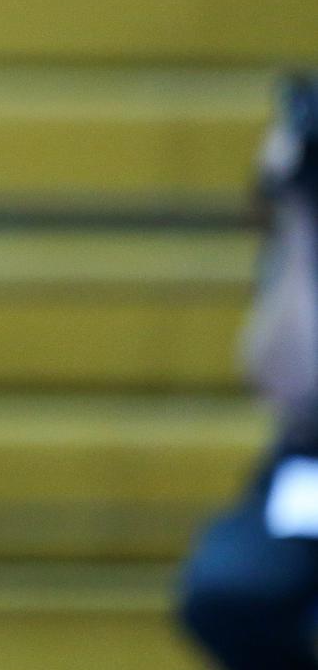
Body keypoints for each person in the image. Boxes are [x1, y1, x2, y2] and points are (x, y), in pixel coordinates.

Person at [180, 76, 318, 668]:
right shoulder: (302, 232)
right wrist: (297, 212)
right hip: (309, 465)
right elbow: (283, 378)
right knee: (227, 591)